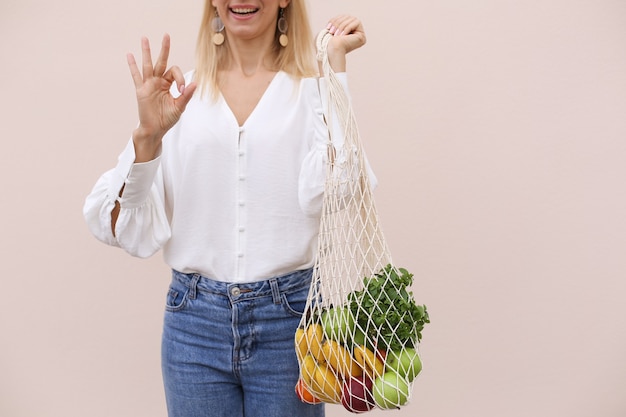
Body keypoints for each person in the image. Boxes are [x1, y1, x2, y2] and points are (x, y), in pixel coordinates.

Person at [83, 1, 375, 416]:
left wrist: (334, 68)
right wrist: (148, 136)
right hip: (194, 326)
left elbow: (340, 188)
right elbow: (117, 226)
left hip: (289, 323)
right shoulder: (181, 97)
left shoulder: (310, 90)